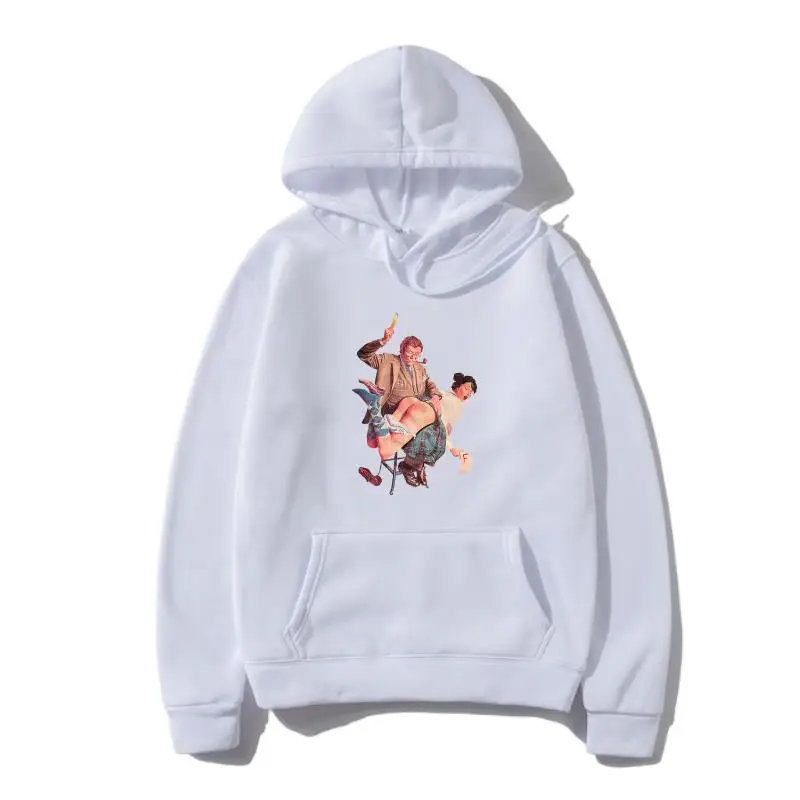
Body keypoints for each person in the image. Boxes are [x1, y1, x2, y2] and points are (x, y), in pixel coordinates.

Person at [353, 371, 477, 488]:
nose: (469, 393)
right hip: (423, 415)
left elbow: (425, 395)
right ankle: (374, 407)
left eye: (471, 392)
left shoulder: (442, 392)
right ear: (458, 385)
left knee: (373, 443)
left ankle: (377, 411)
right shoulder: (456, 404)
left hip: (411, 402)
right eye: (467, 388)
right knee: (386, 451)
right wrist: (451, 447)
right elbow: (443, 425)